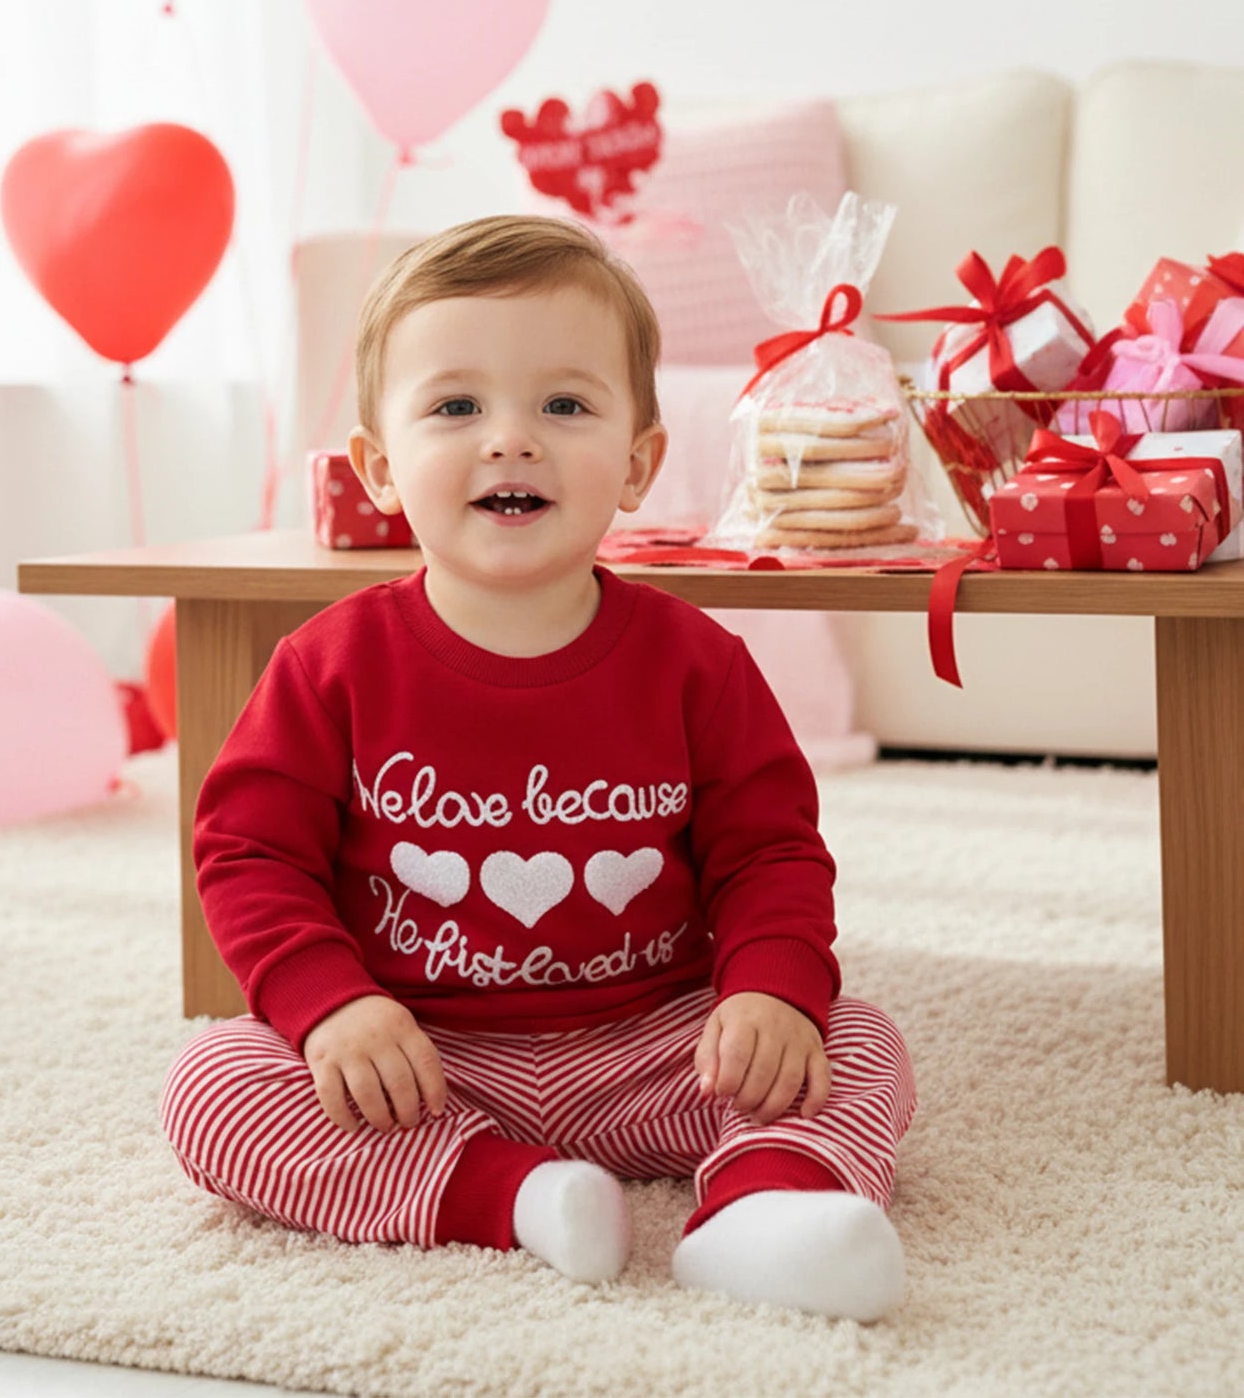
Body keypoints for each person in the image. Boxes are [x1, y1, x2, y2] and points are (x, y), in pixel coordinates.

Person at [160, 214, 917, 1322]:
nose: (509, 439)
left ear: (638, 462)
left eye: (562, 405)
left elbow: (769, 851)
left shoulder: (695, 663)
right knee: (211, 1086)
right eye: (455, 405)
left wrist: (764, 991)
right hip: (421, 1059)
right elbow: (248, 852)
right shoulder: (326, 666)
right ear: (378, 467)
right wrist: (331, 1010)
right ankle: (511, 1196)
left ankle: (762, 1206)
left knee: (851, 1037)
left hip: (659, 1046)